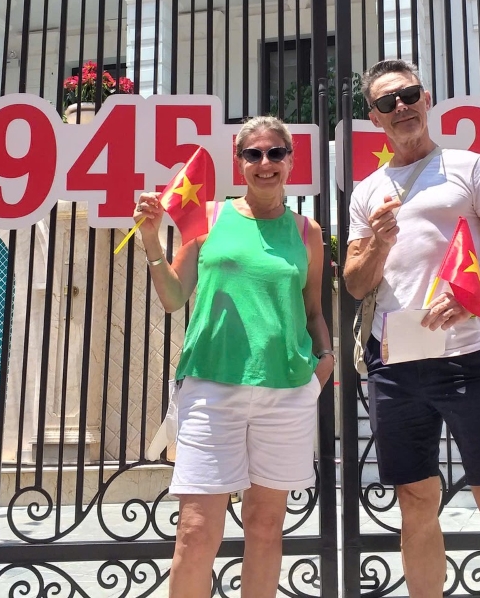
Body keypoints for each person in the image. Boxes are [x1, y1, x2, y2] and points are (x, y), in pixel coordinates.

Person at [343, 59, 480, 598]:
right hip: (397, 363)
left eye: (408, 94)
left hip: (469, 358)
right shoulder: (367, 192)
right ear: (375, 118)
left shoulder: (468, 166)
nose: (401, 107)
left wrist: (473, 293)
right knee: (414, 502)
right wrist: (379, 242)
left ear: (426, 99)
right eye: (387, 102)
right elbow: (356, 283)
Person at [133, 115, 334, 598]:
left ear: (290, 160)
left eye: (275, 153)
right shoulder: (209, 217)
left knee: (265, 529)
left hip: (286, 393)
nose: (265, 163)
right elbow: (173, 297)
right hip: (210, 389)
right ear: (238, 162)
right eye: (254, 154)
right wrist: (151, 241)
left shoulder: (308, 232)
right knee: (196, 531)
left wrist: (324, 363)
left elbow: (312, 310)